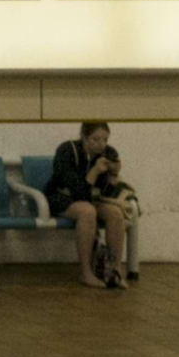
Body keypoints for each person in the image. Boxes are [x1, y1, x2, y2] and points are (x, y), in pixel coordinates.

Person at [47, 122, 138, 289]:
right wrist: (95, 171)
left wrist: (113, 173)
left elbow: (104, 190)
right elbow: (77, 191)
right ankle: (85, 272)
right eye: (95, 139)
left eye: (105, 139)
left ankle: (115, 271)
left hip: (92, 198)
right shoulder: (66, 151)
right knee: (87, 212)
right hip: (62, 197)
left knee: (115, 214)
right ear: (84, 137)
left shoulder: (108, 153)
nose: (101, 144)